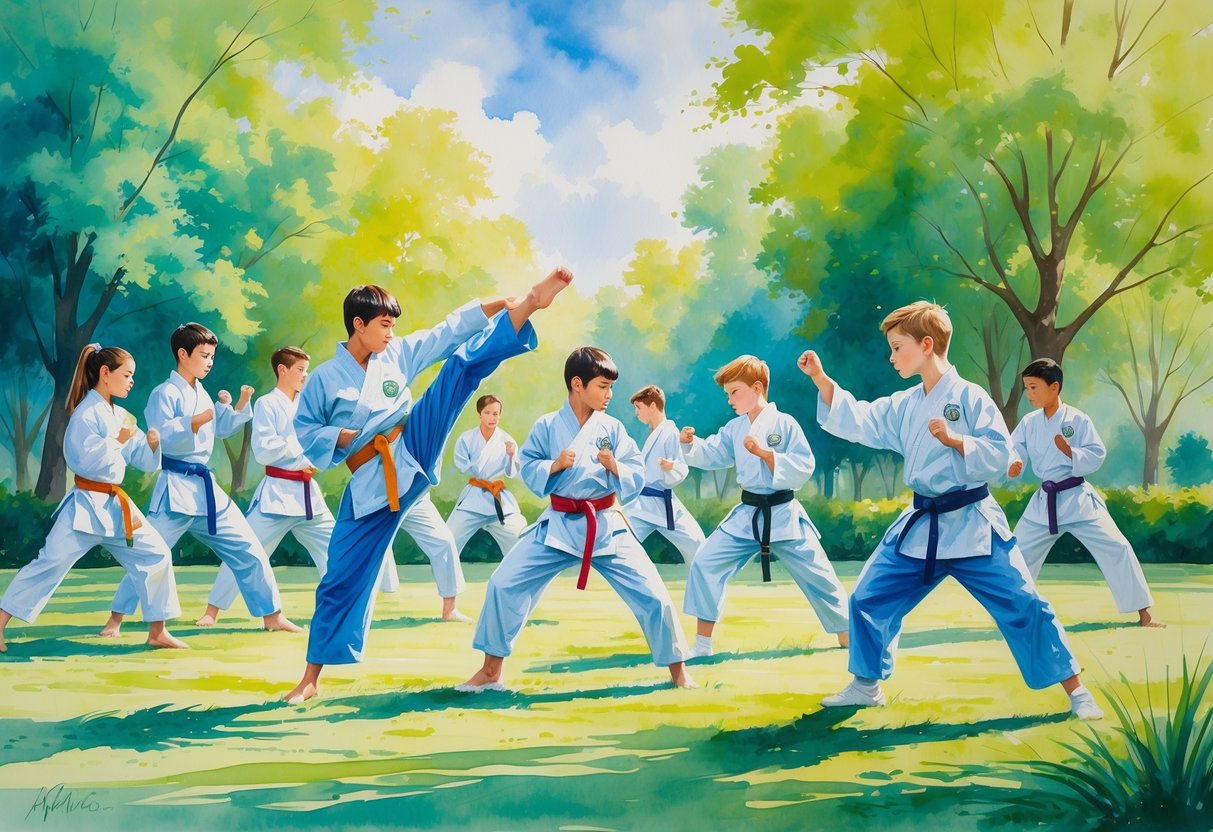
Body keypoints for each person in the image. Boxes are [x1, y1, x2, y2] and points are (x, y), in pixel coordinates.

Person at [800, 301, 1103, 719]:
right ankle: (866, 686)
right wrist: (821, 379)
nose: (891, 357)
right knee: (868, 598)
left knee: (1025, 604)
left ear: (926, 345)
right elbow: (861, 418)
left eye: (897, 347)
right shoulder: (907, 403)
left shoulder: (971, 397)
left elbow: (1002, 457)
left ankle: (1077, 691)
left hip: (972, 524)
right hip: (923, 524)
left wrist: (957, 441)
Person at [282, 268, 571, 704]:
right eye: (383, 324)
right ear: (358, 324)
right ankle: (310, 679)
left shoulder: (396, 355)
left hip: (412, 441)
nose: (390, 332)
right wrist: (338, 438)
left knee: (458, 369)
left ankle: (532, 303)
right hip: (371, 484)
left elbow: (448, 331)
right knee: (340, 578)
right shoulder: (324, 378)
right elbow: (305, 430)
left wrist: (506, 304)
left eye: (393, 325)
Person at [460, 348, 694, 692]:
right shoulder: (548, 425)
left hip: (606, 523)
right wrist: (554, 465)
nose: (610, 395)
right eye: (603, 386)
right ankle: (492, 670)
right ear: (577, 384)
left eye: (612, 387)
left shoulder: (612, 427)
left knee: (653, 595)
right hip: (559, 522)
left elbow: (635, 472)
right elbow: (528, 465)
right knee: (504, 583)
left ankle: (679, 673)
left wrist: (615, 466)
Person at [102, 324, 299, 636]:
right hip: (176, 488)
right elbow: (160, 433)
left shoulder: (202, 393)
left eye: (212, 356)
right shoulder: (163, 393)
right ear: (183, 354)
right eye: (204, 355)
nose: (210, 362)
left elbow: (219, 430)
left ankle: (271, 615)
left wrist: (238, 407)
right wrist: (197, 419)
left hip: (205, 490)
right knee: (151, 555)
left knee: (248, 547)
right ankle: (115, 619)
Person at [0, 345, 185, 652]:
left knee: (156, 555)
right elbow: (80, 460)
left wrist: (152, 445)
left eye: (132, 376)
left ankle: (157, 630)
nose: (131, 382)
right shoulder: (86, 412)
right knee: (49, 563)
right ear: (105, 373)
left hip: (115, 506)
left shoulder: (122, 415)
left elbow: (141, 458)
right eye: (126, 375)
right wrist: (116, 442)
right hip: (85, 505)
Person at [680, 356, 849, 658]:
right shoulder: (734, 428)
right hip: (748, 514)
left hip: (783, 513)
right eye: (728, 394)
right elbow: (714, 454)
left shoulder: (785, 424)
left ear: (757, 387)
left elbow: (804, 465)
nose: (730, 400)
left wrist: (766, 454)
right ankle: (702, 646)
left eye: (735, 392)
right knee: (706, 563)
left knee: (820, 575)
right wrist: (690, 445)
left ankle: (848, 638)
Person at [1008, 358, 1161, 627]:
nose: (1029, 395)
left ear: (1054, 387)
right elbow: (1015, 449)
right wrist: (1015, 463)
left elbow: (1096, 454)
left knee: (1118, 547)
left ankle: (1143, 613)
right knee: (1016, 553)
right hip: (1045, 501)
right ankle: (1012, 613)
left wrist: (1070, 452)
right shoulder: (1029, 422)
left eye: (1034, 388)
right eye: (1027, 389)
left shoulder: (1077, 419)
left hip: (1077, 498)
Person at [622, 384, 704, 564]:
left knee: (698, 544)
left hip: (663, 502)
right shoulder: (656, 433)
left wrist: (671, 467)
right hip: (642, 505)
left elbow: (681, 467)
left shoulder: (670, 433)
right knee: (619, 537)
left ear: (652, 406)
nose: (637, 413)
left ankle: (704, 581)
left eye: (639, 407)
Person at [446, 395, 529, 560]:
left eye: (496, 413)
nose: (492, 418)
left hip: (498, 499)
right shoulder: (467, 438)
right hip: (473, 498)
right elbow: (462, 464)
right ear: (480, 414)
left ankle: (517, 581)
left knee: (520, 537)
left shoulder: (507, 440)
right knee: (448, 539)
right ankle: (449, 584)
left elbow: (511, 473)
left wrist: (511, 455)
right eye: (488, 413)